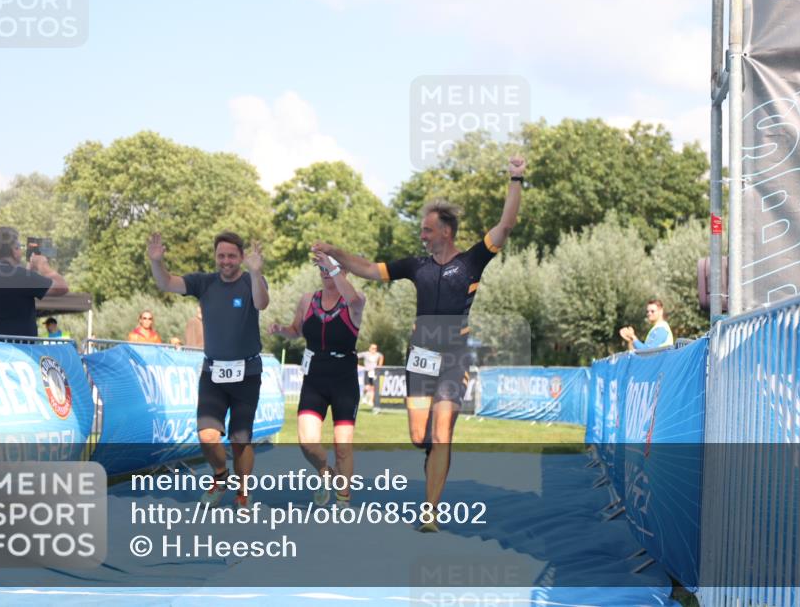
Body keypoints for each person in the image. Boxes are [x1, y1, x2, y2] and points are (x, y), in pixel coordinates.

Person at [313, 155, 526, 532]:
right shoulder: (416, 265)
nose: (423, 236)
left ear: (446, 231)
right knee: (419, 436)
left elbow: (506, 225)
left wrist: (515, 178)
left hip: (455, 356)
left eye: (428, 230)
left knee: (443, 430)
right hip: (421, 356)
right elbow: (370, 269)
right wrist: (336, 252)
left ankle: (431, 511)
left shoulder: (473, 260)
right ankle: (435, 457)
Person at [147, 231, 269, 508]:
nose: (226, 261)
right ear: (215, 257)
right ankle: (220, 475)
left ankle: (243, 490)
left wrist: (257, 271)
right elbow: (166, 283)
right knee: (206, 435)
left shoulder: (251, 280)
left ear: (240, 257)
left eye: (232, 256)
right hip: (213, 372)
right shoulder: (204, 282)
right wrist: (156, 262)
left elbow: (262, 303)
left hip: (247, 372)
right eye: (221, 255)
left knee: (241, 440)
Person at [268, 252, 365, 508]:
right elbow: (296, 330)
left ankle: (343, 499)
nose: (324, 271)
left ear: (343, 271)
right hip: (315, 378)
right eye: (321, 267)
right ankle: (325, 472)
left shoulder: (355, 301)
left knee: (342, 446)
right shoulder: (308, 299)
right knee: (307, 443)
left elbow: (353, 298)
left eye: (331, 267)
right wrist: (281, 331)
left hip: (344, 378)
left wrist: (333, 265)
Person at [0, 226, 69, 337]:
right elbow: (61, 287)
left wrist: (29, 272)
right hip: (15, 350)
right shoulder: (19, 276)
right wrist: (42, 265)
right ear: (14, 250)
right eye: (19, 246)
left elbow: (11, 295)